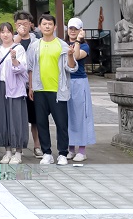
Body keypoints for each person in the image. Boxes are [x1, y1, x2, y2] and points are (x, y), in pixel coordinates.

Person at [27, 14, 76, 166]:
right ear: (39, 27)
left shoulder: (63, 45)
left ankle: (62, 153)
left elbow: (72, 68)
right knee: (41, 123)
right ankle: (46, 153)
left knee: (61, 123)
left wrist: (70, 56)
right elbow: (30, 68)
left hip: (58, 90)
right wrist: (31, 86)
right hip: (40, 89)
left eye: (50, 24)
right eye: (44, 24)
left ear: (55, 27)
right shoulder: (34, 46)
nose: (47, 26)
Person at [0, 22, 29, 164]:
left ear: (12, 33)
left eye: (8, 31)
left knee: (17, 118)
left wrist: (14, 59)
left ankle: (18, 152)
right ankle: (7, 151)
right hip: (0, 87)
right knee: (3, 119)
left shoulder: (18, 48)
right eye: (2, 32)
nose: (5, 34)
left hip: (15, 88)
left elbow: (22, 69)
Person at [64, 17, 95, 163]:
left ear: (81, 30)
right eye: (71, 28)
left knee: (80, 116)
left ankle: (82, 150)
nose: (72, 31)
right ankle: (70, 148)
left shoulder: (84, 46)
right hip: (65, 82)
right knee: (68, 116)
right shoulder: (63, 44)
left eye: (76, 29)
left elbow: (76, 56)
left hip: (79, 82)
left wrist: (77, 41)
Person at [15, 11, 43, 157]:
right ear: (15, 25)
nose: (23, 27)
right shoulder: (12, 40)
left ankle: (37, 146)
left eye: (25, 24)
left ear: (30, 24)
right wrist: (18, 37)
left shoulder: (37, 40)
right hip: (17, 85)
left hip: (34, 84)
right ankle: (17, 146)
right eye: (19, 24)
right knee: (18, 117)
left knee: (35, 118)